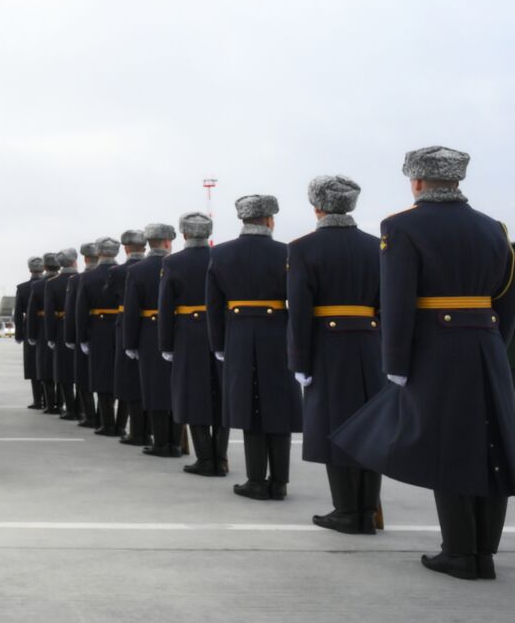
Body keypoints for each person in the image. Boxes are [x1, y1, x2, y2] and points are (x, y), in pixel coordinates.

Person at [334, 146, 515, 580]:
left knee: (448, 446)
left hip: (435, 349)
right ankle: (483, 552)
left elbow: (397, 300)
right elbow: (506, 302)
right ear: (457, 180)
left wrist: (394, 360)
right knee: (489, 444)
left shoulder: (401, 227)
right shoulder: (495, 229)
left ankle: (458, 552)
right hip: (487, 346)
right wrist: (495, 346)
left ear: (416, 182)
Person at [287, 175, 383, 534]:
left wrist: (299, 360)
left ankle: (347, 512)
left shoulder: (302, 248)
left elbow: (299, 309)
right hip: (372, 345)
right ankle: (368, 511)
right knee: (370, 429)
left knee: (336, 428)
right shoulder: (378, 246)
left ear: (316, 207)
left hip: (327, 349)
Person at [207, 194, 301, 500]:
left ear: (242, 219)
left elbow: (214, 305)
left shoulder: (220, 254)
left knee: (249, 406)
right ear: (270, 220)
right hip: (278, 332)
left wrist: (217, 342)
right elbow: (299, 301)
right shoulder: (287, 252)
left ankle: (256, 480)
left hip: (239, 333)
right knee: (278, 405)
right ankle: (280, 482)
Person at [159, 212, 228, 477]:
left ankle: (205, 459)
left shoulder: (173, 262)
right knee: (221, 395)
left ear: (184, 234)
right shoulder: (220, 256)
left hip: (187, 333)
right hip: (221, 330)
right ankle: (220, 458)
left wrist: (166, 343)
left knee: (193, 394)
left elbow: (166, 306)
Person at [125, 223, 179, 457]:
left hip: (148, 333)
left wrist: (130, 342)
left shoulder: (136, 270)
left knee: (154, 388)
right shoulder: (176, 264)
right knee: (177, 389)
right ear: (167, 243)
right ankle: (176, 443)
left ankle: (160, 442)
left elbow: (131, 311)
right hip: (178, 331)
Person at [76, 237, 122, 436]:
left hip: (99, 329)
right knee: (122, 377)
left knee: (102, 377)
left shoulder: (87, 277)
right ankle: (120, 424)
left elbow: (80, 311)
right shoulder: (126, 272)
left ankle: (106, 423)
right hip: (122, 328)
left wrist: (82, 337)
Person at [114, 230, 148, 445]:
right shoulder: (165, 265)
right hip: (159, 329)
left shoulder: (120, 272)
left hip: (127, 326)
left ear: (126, 248)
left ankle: (137, 431)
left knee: (131, 383)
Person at [66, 242, 100, 428]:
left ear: (85, 258)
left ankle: (89, 415)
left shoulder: (78, 280)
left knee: (83, 378)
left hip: (86, 334)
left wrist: (72, 337)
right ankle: (105, 417)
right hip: (110, 334)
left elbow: (74, 313)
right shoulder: (114, 273)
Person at [45, 248, 80, 422]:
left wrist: (50, 336)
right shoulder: (81, 278)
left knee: (64, 373)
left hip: (60, 328)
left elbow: (50, 313)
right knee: (81, 372)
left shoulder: (52, 283)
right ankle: (82, 409)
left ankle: (71, 409)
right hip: (81, 329)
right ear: (75, 262)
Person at [27, 253, 61, 413]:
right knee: (63, 369)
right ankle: (61, 403)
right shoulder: (68, 281)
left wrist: (30, 335)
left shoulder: (38, 286)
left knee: (45, 367)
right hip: (63, 327)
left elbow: (32, 313)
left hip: (42, 329)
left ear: (45, 267)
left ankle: (49, 404)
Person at [14, 256, 46, 409]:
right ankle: (49, 400)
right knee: (48, 364)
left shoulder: (22, 288)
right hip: (49, 327)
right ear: (43, 268)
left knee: (33, 365)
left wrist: (19, 334)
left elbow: (18, 315)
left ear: (29, 269)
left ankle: (38, 400)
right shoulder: (49, 284)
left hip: (30, 329)